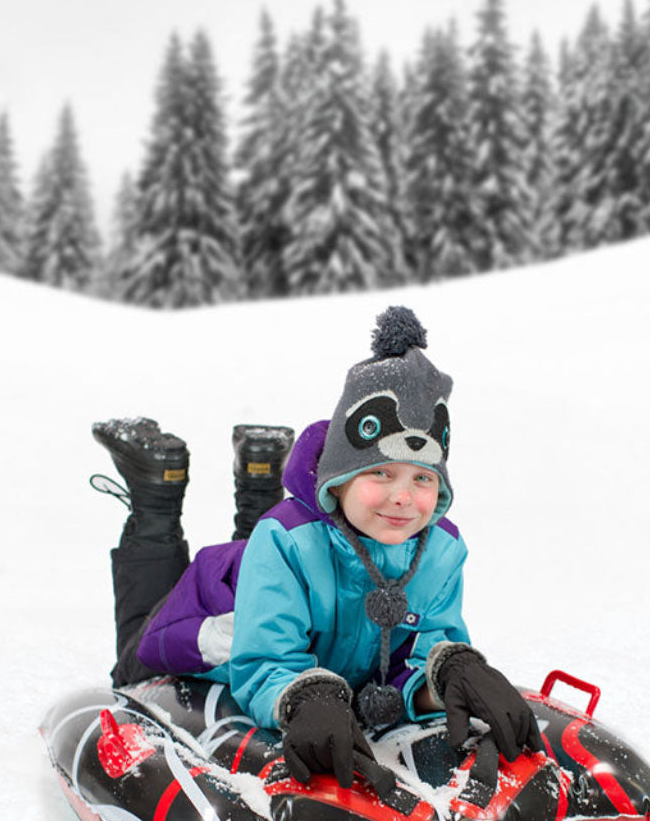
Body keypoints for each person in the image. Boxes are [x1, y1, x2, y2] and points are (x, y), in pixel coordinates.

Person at [91, 306, 544, 789]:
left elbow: (415, 651)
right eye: (381, 472)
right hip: (219, 603)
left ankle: (260, 473)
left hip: (285, 566)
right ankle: (155, 491)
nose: (404, 497)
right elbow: (265, 660)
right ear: (338, 480)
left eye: (423, 478)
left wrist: (448, 673)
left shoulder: (441, 549)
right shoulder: (283, 541)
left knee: (280, 541)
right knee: (133, 665)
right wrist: (305, 698)